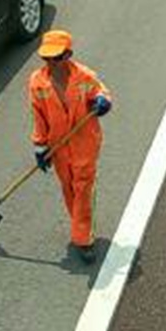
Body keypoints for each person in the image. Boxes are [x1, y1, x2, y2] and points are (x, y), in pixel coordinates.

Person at [29, 30, 112, 264]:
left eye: (56, 58)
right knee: (68, 188)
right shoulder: (37, 82)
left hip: (85, 143)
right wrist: (40, 146)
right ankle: (80, 224)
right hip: (58, 147)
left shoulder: (85, 77)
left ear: (68, 55)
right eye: (46, 58)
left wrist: (103, 102)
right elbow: (38, 116)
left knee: (83, 188)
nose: (51, 63)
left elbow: (102, 93)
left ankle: (83, 239)